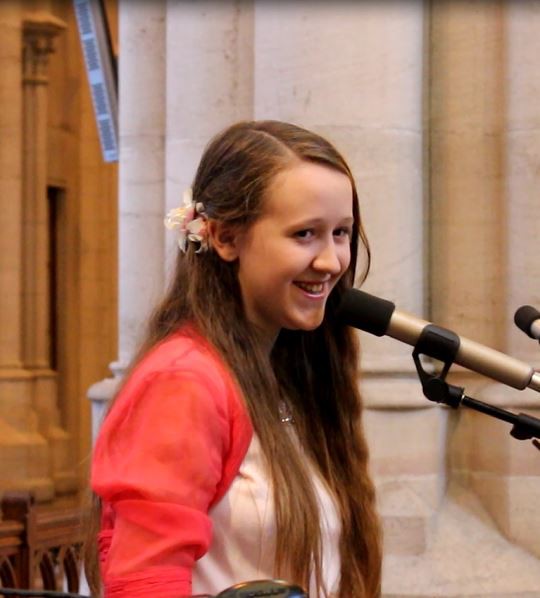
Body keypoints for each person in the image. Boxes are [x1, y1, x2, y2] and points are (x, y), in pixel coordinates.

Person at [88, 120, 382, 598]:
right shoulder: (184, 380)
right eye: (305, 234)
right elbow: (146, 579)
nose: (331, 261)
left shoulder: (284, 371)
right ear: (224, 238)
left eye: (342, 233)